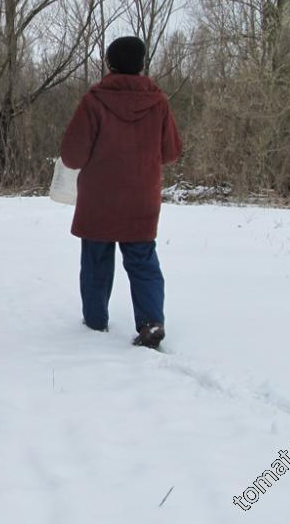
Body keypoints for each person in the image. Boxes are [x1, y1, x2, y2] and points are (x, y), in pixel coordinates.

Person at [59, 36, 182, 348]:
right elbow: (171, 151)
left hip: (99, 198)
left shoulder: (95, 100)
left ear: (109, 64)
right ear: (141, 64)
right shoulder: (159, 102)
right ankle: (152, 321)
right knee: (143, 259)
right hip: (142, 196)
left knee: (96, 259)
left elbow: (73, 155)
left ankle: (96, 321)